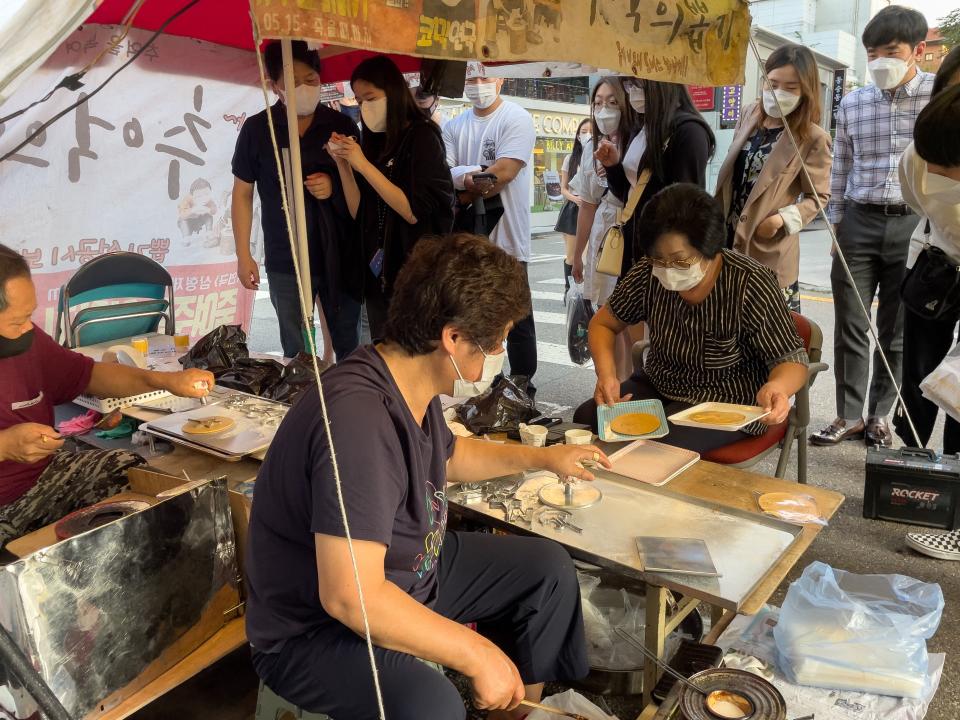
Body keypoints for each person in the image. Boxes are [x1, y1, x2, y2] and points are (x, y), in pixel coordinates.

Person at [246, 233, 602, 720]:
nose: (499, 352)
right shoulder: (359, 421)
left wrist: (544, 459)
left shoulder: (408, 381)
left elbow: (450, 457)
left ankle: (513, 711)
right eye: (494, 342)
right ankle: (489, 685)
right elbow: (351, 597)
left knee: (546, 571)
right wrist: (476, 653)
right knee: (431, 703)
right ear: (452, 338)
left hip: (409, 570)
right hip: (313, 630)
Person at [0, 244, 214, 549]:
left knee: (129, 472)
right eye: (15, 322)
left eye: (28, 317)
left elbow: (89, 375)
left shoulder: (27, 340)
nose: (26, 328)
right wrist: (6, 445)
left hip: (40, 477)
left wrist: (166, 380)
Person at [572, 185, 809, 455]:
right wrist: (607, 375)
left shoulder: (749, 282)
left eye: (680, 261)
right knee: (587, 418)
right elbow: (604, 323)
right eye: (658, 260)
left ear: (710, 249)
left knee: (657, 450)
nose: (667, 270)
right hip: (660, 387)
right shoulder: (648, 274)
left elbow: (791, 358)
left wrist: (777, 387)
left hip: (727, 403)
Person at [812, 6, 935, 448]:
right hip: (859, 220)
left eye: (891, 51)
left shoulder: (937, 99)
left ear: (918, 51)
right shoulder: (853, 102)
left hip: (914, 225)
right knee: (850, 323)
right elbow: (841, 166)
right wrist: (838, 225)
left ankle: (880, 415)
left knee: (896, 330)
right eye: (872, 53)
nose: (880, 61)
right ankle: (847, 415)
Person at [232, 40, 361, 361]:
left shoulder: (341, 125)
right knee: (297, 350)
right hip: (284, 256)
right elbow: (243, 192)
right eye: (293, 81)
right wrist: (243, 253)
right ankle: (305, 404)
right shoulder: (258, 129)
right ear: (274, 85)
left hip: (340, 255)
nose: (304, 87)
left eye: (312, 80)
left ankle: (350, 403)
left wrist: (334, 182)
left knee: (349, 345)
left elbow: (363, 189)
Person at [328, 55, 455, 341]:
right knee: (385, 354)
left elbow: (413, 212)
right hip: (379, 276)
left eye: (370, 97)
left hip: (416, 275)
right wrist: (344, 165)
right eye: (359, 101)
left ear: (393, 92)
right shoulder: (373, 141)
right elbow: (359, 211)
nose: (364, 107)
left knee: (413, 354)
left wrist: (362, 164)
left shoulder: (422, 136)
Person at [714, 44, 832, 313]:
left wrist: (781, 220)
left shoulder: (813, 138)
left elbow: (820, 197)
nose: (779, 93)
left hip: (768, 246)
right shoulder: (749, 114)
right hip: (728, 239)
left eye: (791, 87)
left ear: (806, 90)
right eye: (772, 83)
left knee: (767, 338)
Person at [443, 62, 538, 393]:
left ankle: (524, 386)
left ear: (501, 79)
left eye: (485, 76)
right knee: (475, 313)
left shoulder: (516, 118)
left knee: (518, 317)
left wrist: (467, 180)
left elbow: (505, 171)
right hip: (469, 242)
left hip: (508, 238)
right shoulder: (454, 125)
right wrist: (475, 176)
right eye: (471, 76)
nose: (478, 83)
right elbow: (448, 173)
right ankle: (482, 385)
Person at [897, 84, 960, 561]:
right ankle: (916, 468)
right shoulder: (917, 157)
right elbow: (921, 203)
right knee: (926, 374)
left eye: (951, 170)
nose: (937, 175)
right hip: (937, 264)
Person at [592, 78, 716, 275]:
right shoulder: (641, 126)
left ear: (660, 82)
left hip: (665, 257)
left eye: (637, 84)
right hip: (634, 246)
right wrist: (613, 167)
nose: (631, 92)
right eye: (628, 85)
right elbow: (629, 194)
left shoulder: (689, 131)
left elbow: (687, 204)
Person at [571, 77, 640, 311]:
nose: (603, 110)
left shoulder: (639, 142)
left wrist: (616, 166)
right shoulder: (591, 146)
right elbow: (587, 205)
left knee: (631, 311)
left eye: (612, 103)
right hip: (604, 233)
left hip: (632, 229)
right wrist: (577, 254)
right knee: (605, 309)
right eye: (598, 103)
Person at [555, 118, 591, 297]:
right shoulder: (570, 158)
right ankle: (570, 291)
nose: (587, 134)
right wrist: (576, 200)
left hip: (594, 208)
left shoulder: (599, 155)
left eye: (591, 131)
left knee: (590, 254)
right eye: (584, 131)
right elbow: (563, 188)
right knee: (572, 254)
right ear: (577, 135)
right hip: (573, 208)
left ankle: (585, 290)